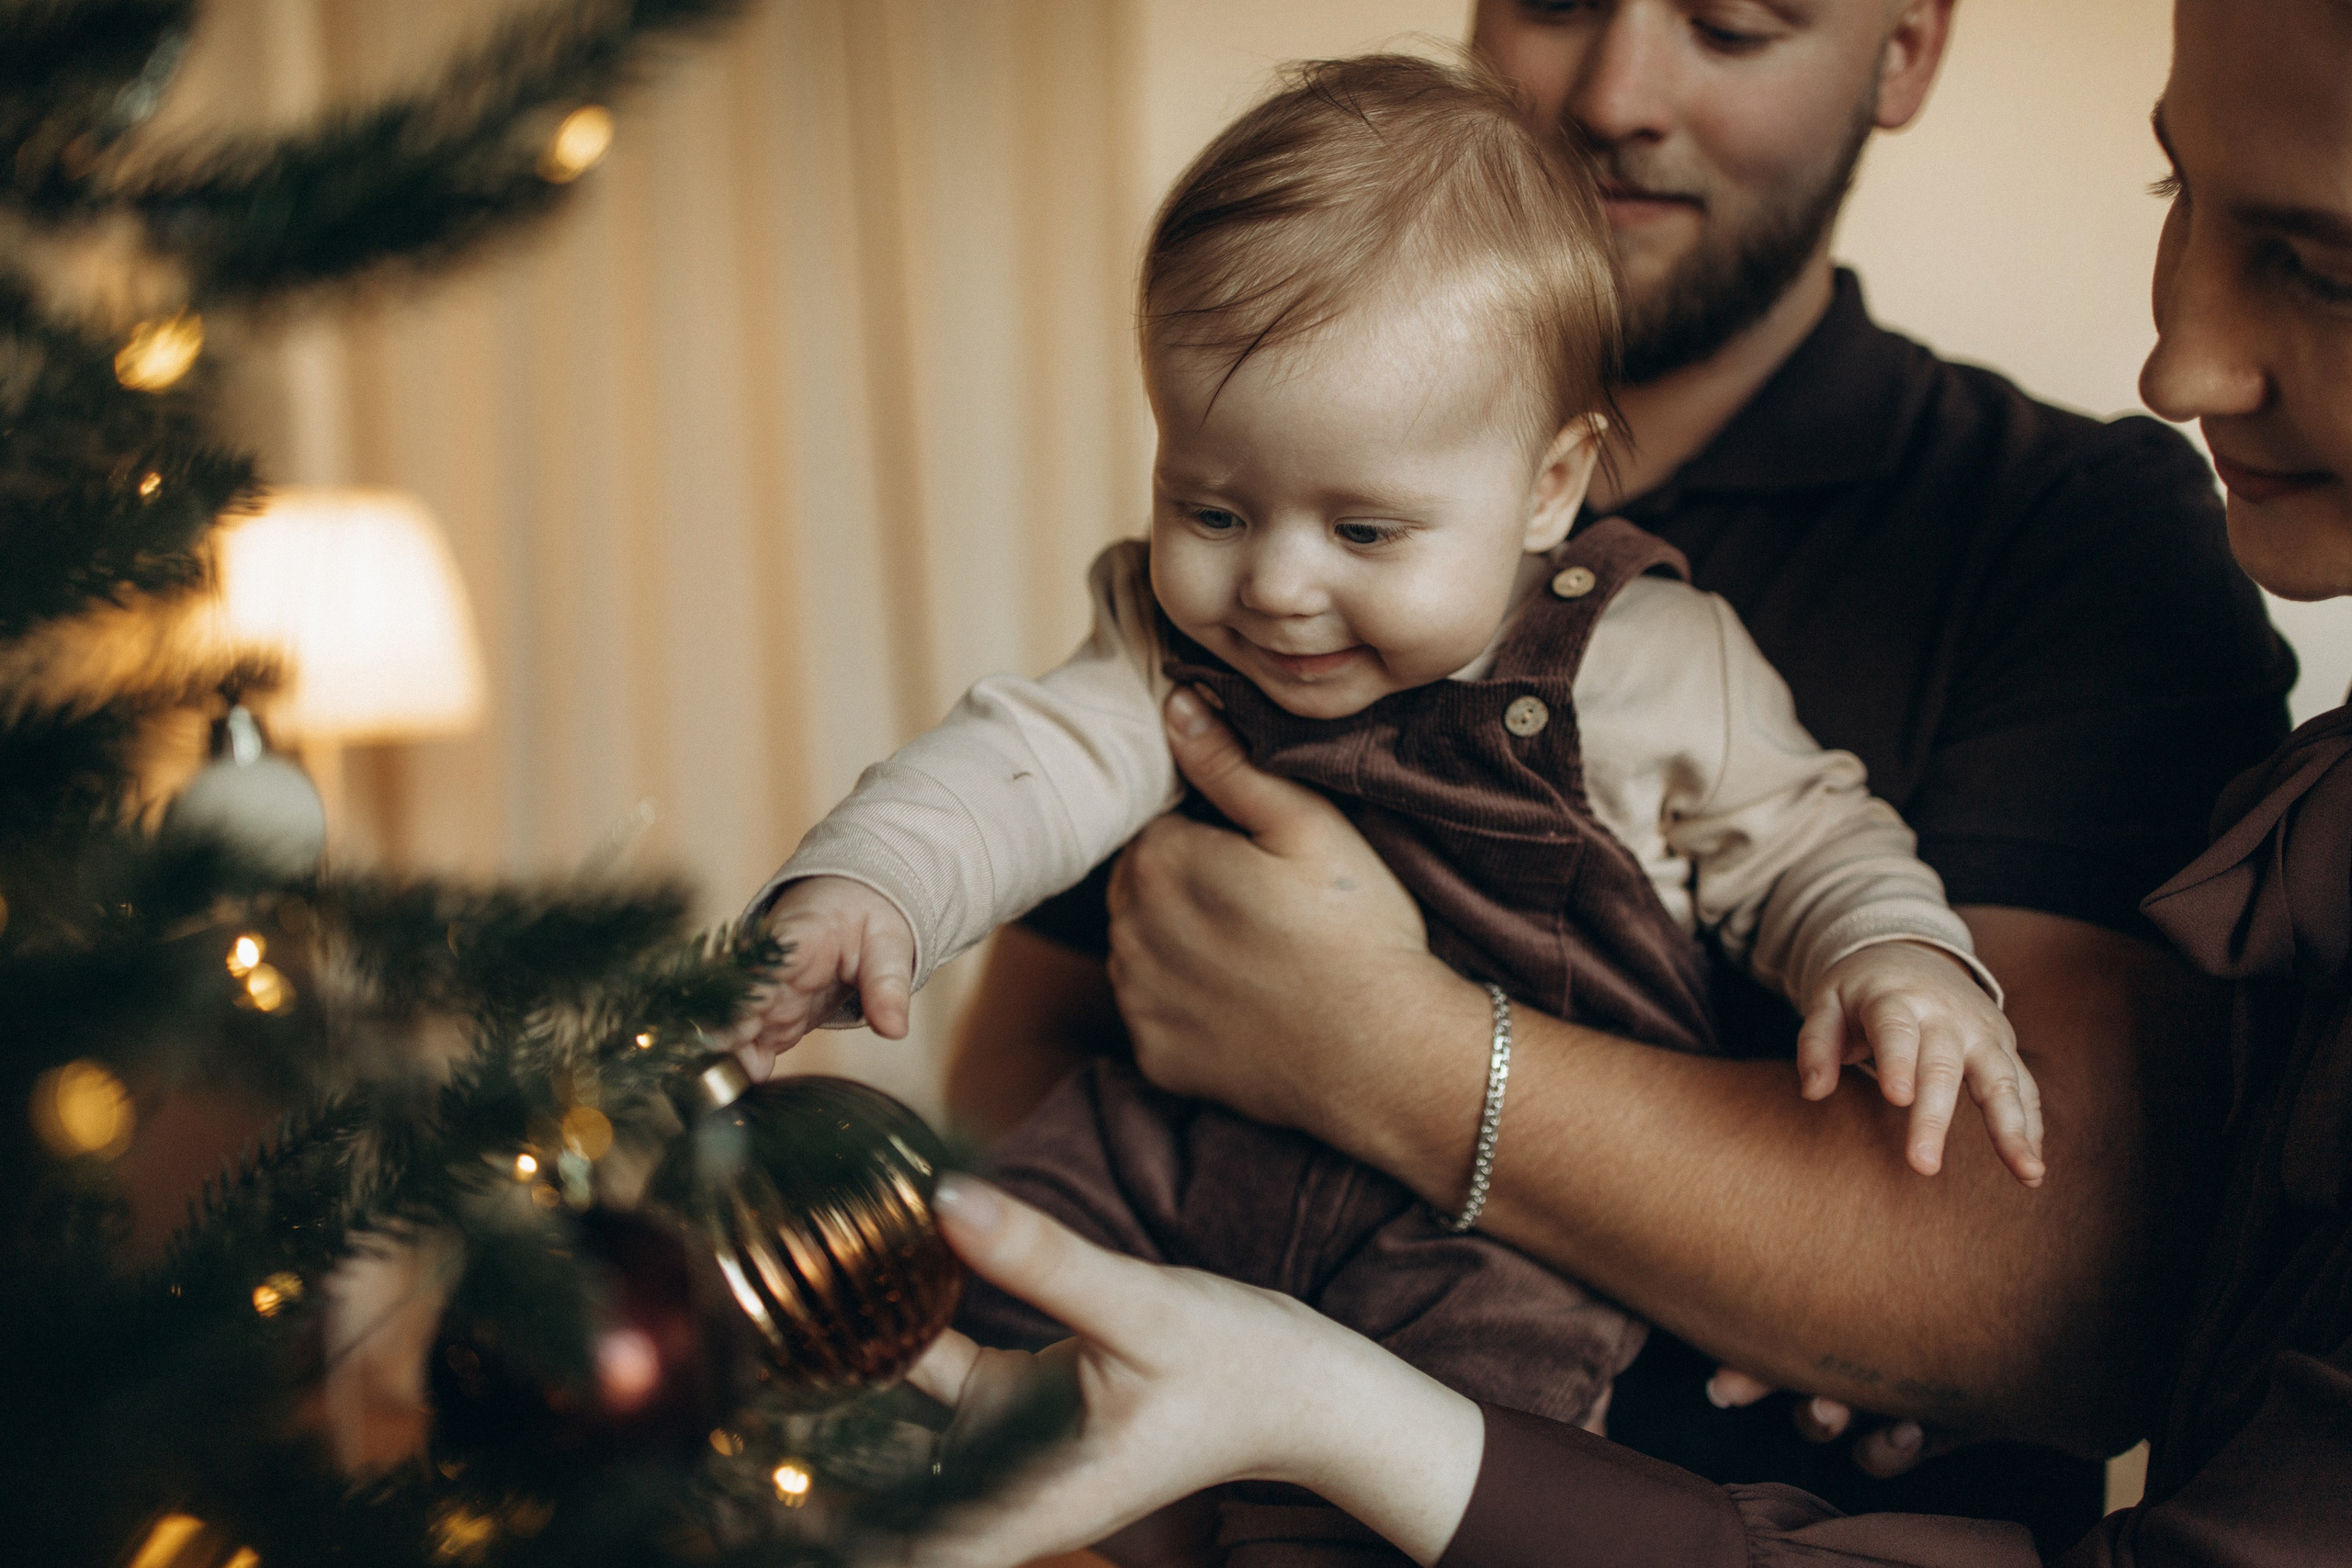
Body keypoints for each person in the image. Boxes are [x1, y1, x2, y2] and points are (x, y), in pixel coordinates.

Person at [894, 1, 2352, 1560]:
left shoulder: (2073, 536)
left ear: (1906, 48)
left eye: (1733, 23)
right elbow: (1029, 1052)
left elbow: (2039, 1290)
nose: (1613, 93)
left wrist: (1367, 1043)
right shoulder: (1267, 518)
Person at [738, 61, 2033, 1565]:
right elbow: (1022, 762)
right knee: (1002, 1224)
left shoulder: (1644, 663)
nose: (1277, 586)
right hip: (1189, 1140)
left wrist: (1890, 961)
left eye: (1363, 529)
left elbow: (1809, 845)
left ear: (1549, 487)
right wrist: (871, 885)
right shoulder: (1175, 650)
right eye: (1211, 508)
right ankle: (961, 1447)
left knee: (1468, 1416)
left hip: (1496, 1230)